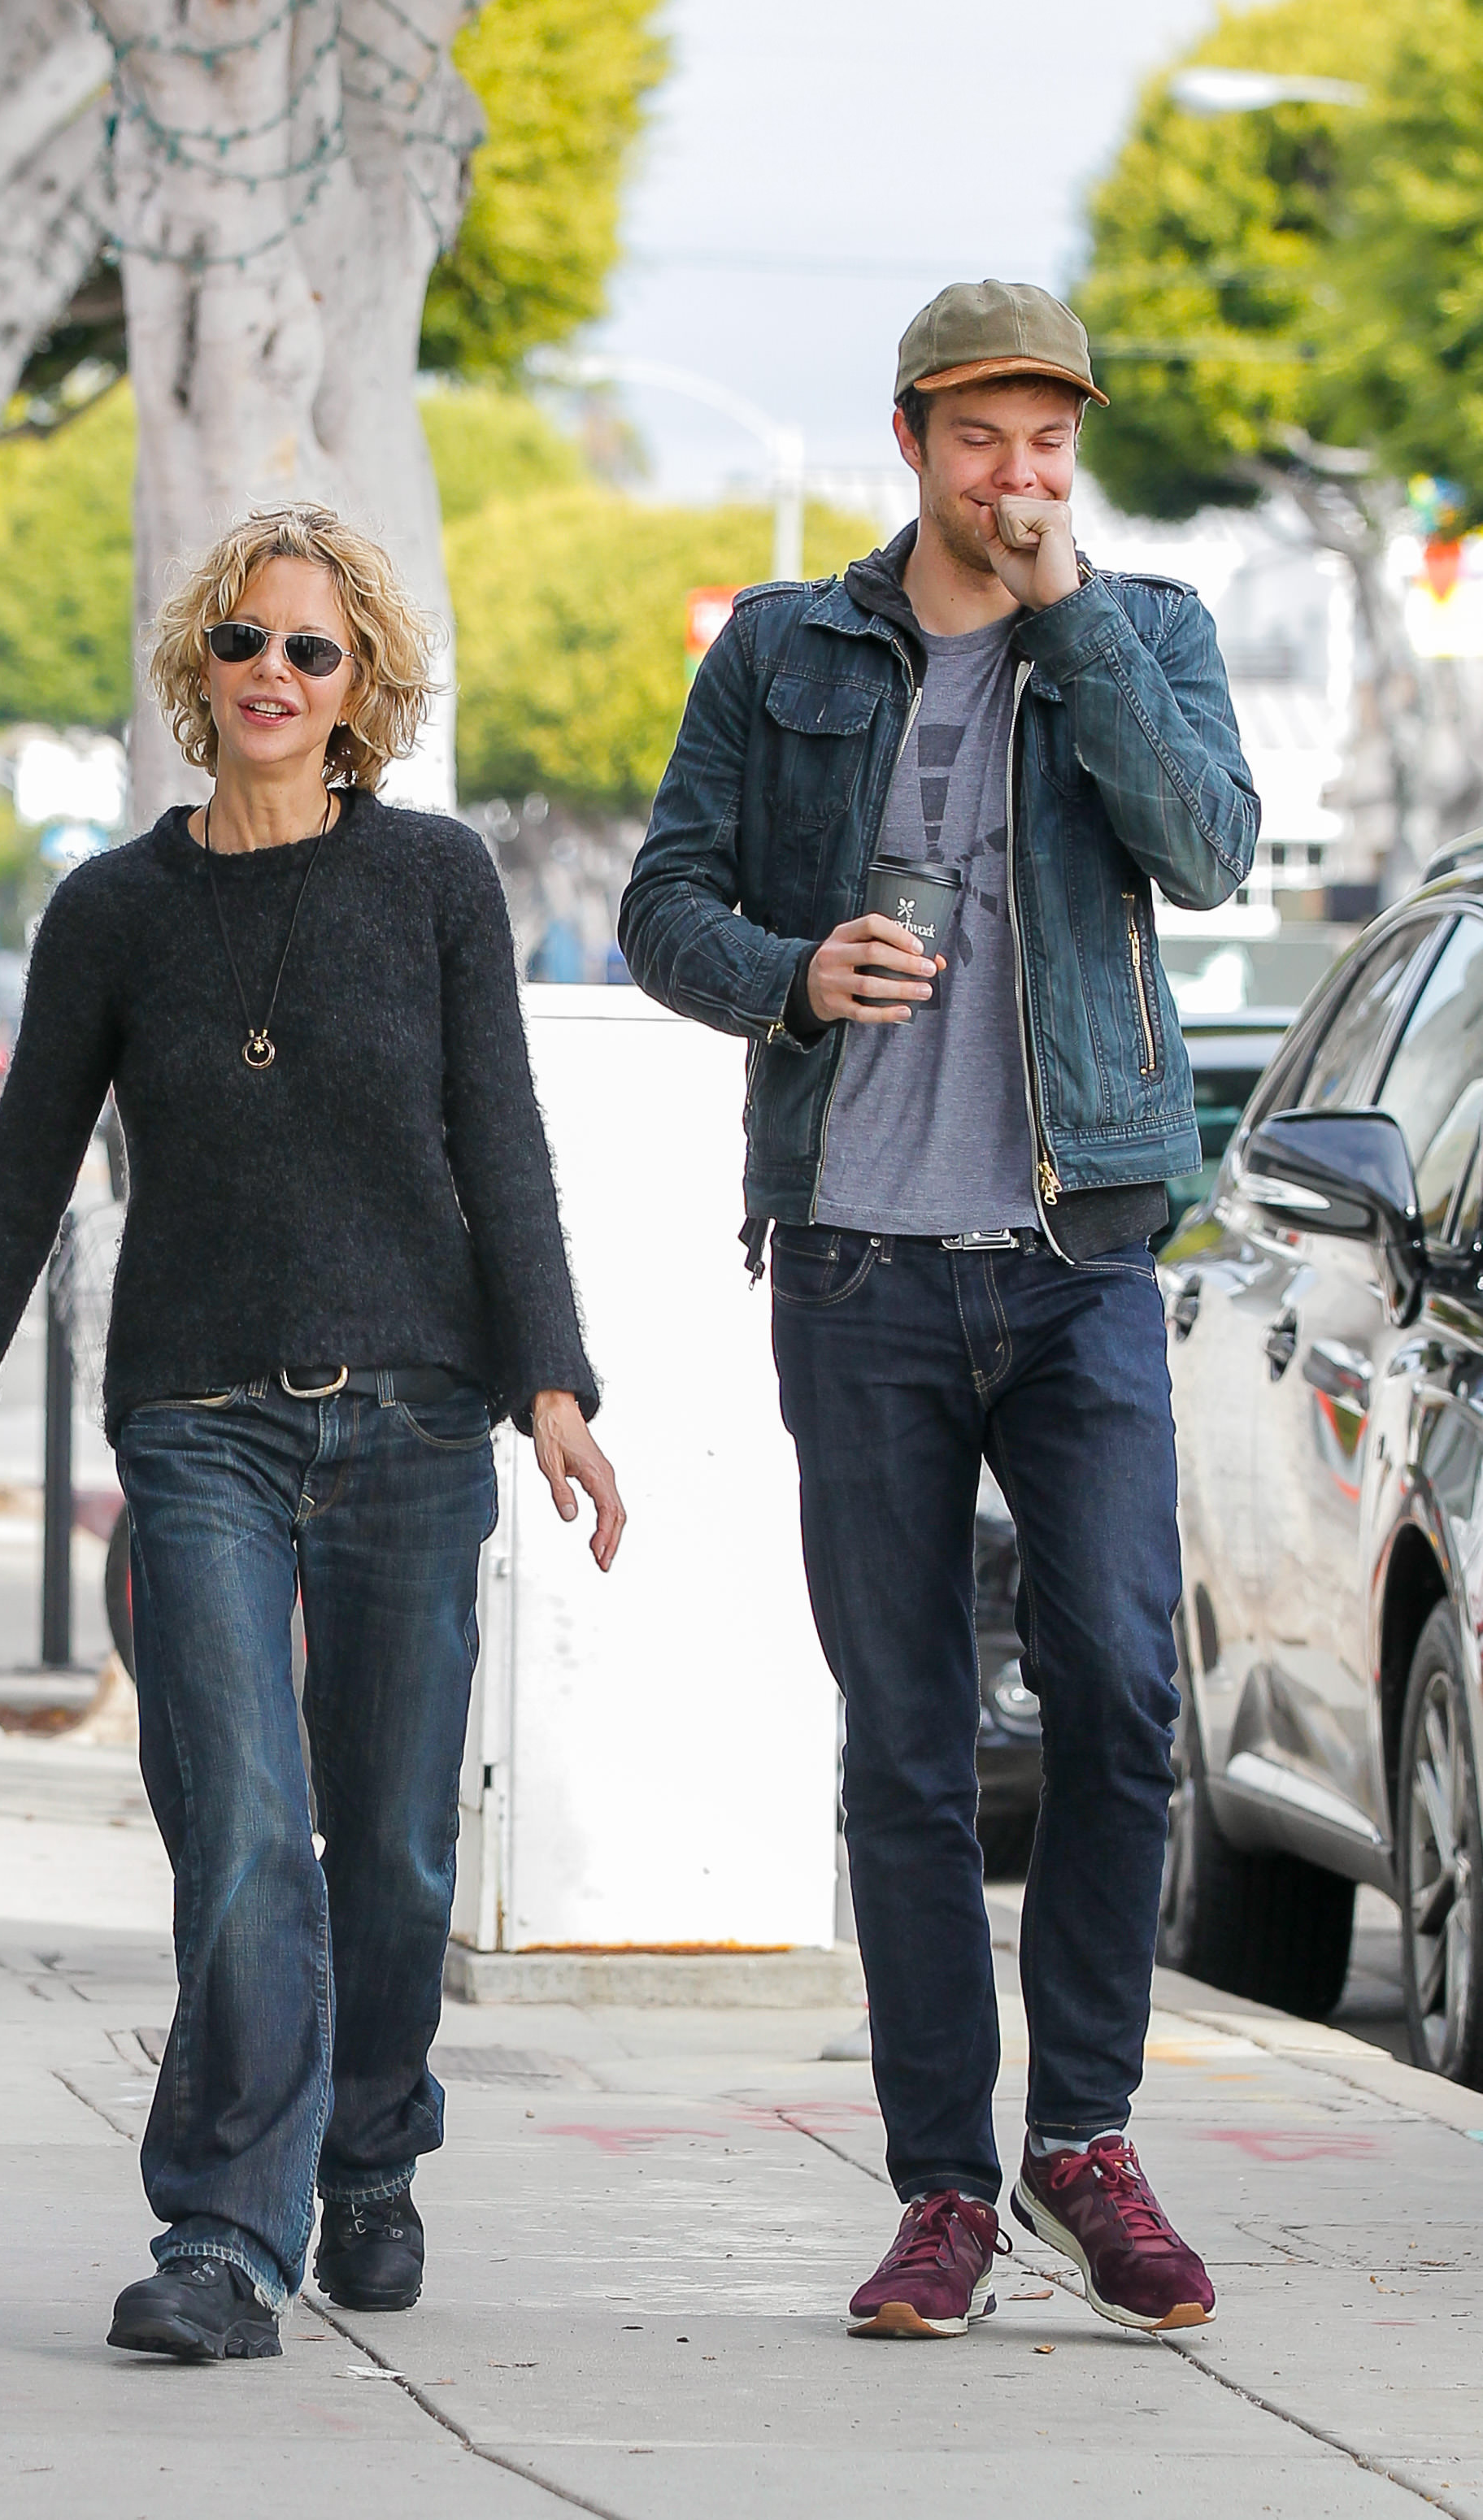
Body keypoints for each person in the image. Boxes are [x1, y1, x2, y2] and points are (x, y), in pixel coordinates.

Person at [0, 502, 624, 2363]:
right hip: (199, 1419)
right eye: (244, 643)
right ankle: (225, 2222)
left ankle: (371, 2143)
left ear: (361, 681)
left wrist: (552, 1383)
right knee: (239, 1835)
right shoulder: (114, 911)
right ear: (195, 671)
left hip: (412, 1414)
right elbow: (21, 1179)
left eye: (313, 649)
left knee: (386, 1847)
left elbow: (500, 1148)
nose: (274, 675)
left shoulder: (439, 883)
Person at [619, 281, 1257, 2340]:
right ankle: (940, 2187)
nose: (1022, 475)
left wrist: (1069, 615)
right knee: (901, 1748)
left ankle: (1083, 2135)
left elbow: (1207, 848)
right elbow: (662, 900)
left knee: (1119, 1693)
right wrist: (789, 971)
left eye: (1050, 438)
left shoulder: (1141, 633)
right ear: (911, 440)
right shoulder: (784, 650)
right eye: (984, 439)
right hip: (858, 1264)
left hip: (1077, 1258)